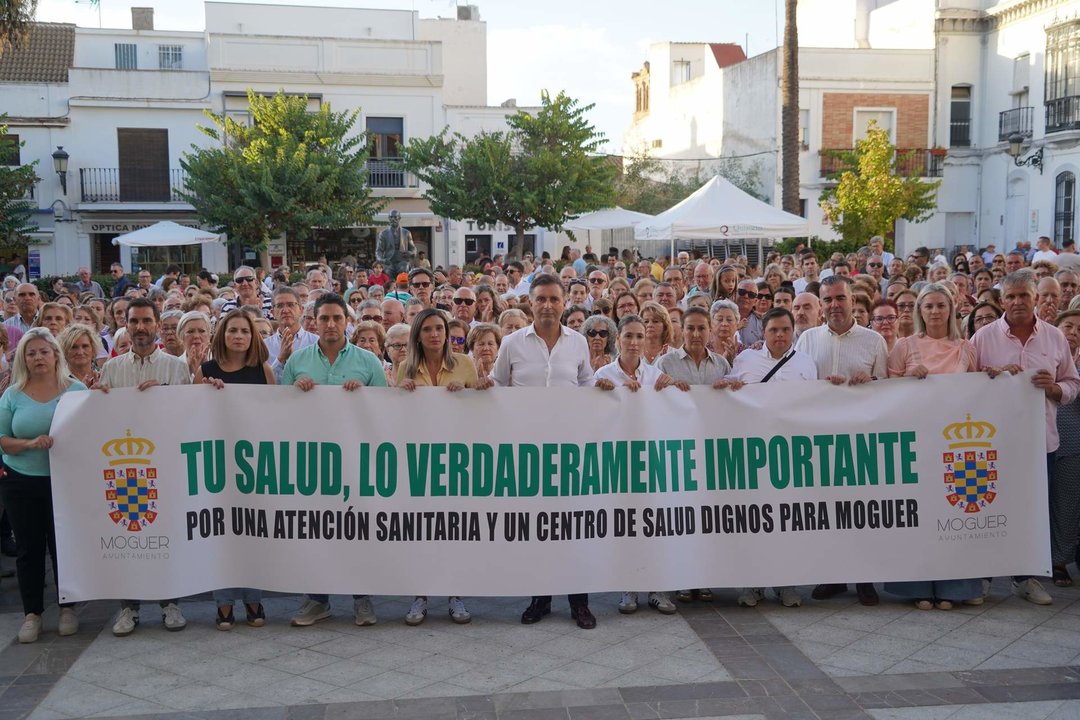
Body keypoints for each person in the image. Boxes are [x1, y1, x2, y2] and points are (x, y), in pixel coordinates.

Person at [490, 274, 598, 629]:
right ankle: (540, 598)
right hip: (527, 451)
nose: (548, 305)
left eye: (554, 299)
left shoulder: (578, 342)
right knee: (537, 526)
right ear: (530, 302)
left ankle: (579, 601)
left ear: (564, 302)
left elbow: (586, 384)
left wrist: (604, 388)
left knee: (572, 527)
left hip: (570, 451)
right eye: (541, 299)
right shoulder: (512, 343)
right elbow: (497, 384)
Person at [973, 269, 1080, 605]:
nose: (1017, 302)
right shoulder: (983, 338)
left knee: (1031, 511)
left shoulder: (1055, 337)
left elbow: (1073, 384)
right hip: (992, 443)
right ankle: (984, 576)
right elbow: (964, 387)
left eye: (1024, 296)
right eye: (1011, 296)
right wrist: (989, 379)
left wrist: (1054, 389)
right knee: (987, 508)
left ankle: (1025, 577)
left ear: (1035, 298)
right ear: (1001, 300)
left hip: (1039, 443)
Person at [282, 293, 387, 627]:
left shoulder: (368, 362)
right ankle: (318, 600)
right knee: (315, 531)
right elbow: (278, 414)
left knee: (358, 529)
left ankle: (362, 598)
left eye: (337, 318)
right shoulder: (297, 361)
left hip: (356, 460)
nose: (330, 324)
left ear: (347, 321)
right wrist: (295, 390)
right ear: (314, 320)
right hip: (311, 462)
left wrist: (366, 398)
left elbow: (387, 414)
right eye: (324, 318)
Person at [97, 298, 192, 636]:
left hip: (164, 465)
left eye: (146, 321)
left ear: (156, 325)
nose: (140, 327)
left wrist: (162, 397)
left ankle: (170, 603)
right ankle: (129, 607)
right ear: (125, 324)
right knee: (128, 535)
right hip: (127, 466)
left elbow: (187, 415)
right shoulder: (112, 368)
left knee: (165, 535)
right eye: (133, 321)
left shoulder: (175, 367)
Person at [883, 284, 981, 609]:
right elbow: (885, 393)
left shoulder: (967, 348)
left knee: (954, 514)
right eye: (929, 306)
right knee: (918, 515)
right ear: (920, 311)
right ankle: (918, 587)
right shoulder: (904, 346)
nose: (935, 311)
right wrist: (909, 376)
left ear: (951, 309)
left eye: (941, 305)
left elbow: (979, 392)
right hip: (914, 441)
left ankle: (955, 589)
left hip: (954, 443)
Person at [796, 276, 888, 607]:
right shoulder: (806, 340)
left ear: (852, 300)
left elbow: (887, 391)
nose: (834, 304)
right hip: (817, 439)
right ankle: (831, 575)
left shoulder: (874, 341)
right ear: (821, 305)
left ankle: (864, 578)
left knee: (859, 511)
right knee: (825, 511)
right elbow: (798, 383)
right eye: (828, 299)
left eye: (841, 298)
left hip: (858, 439)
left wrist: (871, 381)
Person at [397, 308, 490, 625]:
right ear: (418, 336)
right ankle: (420, 595)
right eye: (427, 330)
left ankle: (455, 593)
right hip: (419, 461)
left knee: (454, 527)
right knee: (420, 530)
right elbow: (395, 415)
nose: (434, 335)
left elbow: (479, 406)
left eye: (439, 329)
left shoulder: (463, 364)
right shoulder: (405, 368)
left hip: (457, 460)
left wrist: (471, 390)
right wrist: (403, 392)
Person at [0, 328, 86, 643]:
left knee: (62, 546)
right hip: (21, 481)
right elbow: (2, 441)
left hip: (65, 481)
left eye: (43, 352)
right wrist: (29, 443)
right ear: (24, 358)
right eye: (31, 353)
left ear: (55, 355)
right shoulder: (13, 393)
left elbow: (90, 432)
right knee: (28, 549)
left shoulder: (75, 389)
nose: (38, 357)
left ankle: (68, 608)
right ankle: (32, 613)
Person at [729, 308, 816, 608]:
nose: (779, 335)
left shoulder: (806, 364)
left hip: (790, 456)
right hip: (751, 455)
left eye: (785, 330)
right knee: (752, 523)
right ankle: (751, 585)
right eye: (773, 330)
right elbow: (726, 395)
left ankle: (785, 584)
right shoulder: (745, 360)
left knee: (786, 524)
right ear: (763, 333)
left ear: (793, 332)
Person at [194, 310, 274, 629]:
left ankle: (254, 599)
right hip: (217, 463)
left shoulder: (262, 370)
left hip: (254, 464)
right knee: (222, 534)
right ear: (221, 336)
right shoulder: (205, 370)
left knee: (252, 532)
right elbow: (190, 416)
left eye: (244, 331)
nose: (238, 336)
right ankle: (223, 603)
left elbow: (277, 416)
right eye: (232, 331)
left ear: (252, 336)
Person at [57, 323, 102, 388]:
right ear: (65, 350)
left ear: (93, 349)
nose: (80, 352)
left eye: (85, 346)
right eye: (74, 347)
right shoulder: (57, 380)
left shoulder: (104, 376)